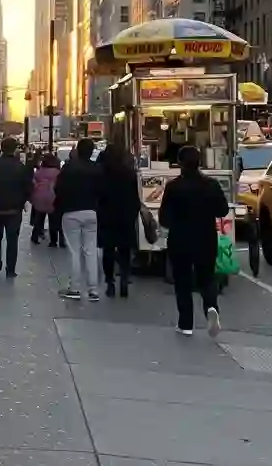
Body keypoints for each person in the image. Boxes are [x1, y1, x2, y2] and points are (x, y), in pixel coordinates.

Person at [158, 144, 229, 337]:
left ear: (179, 163)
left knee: (182, 281)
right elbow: (222, 210)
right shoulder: (211, 185)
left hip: (180, 239)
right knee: (207, 278)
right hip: (206, 238)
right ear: (200, 162)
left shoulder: (173, 187)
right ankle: (211, 308)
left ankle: (186, 324)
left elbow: (164, 218)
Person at [54, 139, 103, 301]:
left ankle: (74, 288)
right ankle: (93, 290)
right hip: (92, 212)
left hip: (71, 211)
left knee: (74, 251)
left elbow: (58, 188)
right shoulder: (97, 169)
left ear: (77, 151)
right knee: (91, 250)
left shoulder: (69, 168)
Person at [98, 143, 141, 299]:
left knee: (108, 250)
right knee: (125, 250)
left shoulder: (102, 173)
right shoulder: (129, 174)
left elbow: (99, 195)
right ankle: (124, 277)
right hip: (125, 215)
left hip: (107, 215)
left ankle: (110, 282)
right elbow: (135, 197)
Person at [0, 137, 32, 278]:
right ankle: (10, 269)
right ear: (15, 149)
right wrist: (23, 201)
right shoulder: (21, 167)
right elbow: (27, 188)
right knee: (12, 240)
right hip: (14, 210)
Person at [30, 152, 63, 247]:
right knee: (53, 220)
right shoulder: (57, 172)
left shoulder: (39, 172)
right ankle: (53, 241)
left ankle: (35, 236)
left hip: (39, 197)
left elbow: (33, 182)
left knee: (39, 218)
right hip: (52, 197)